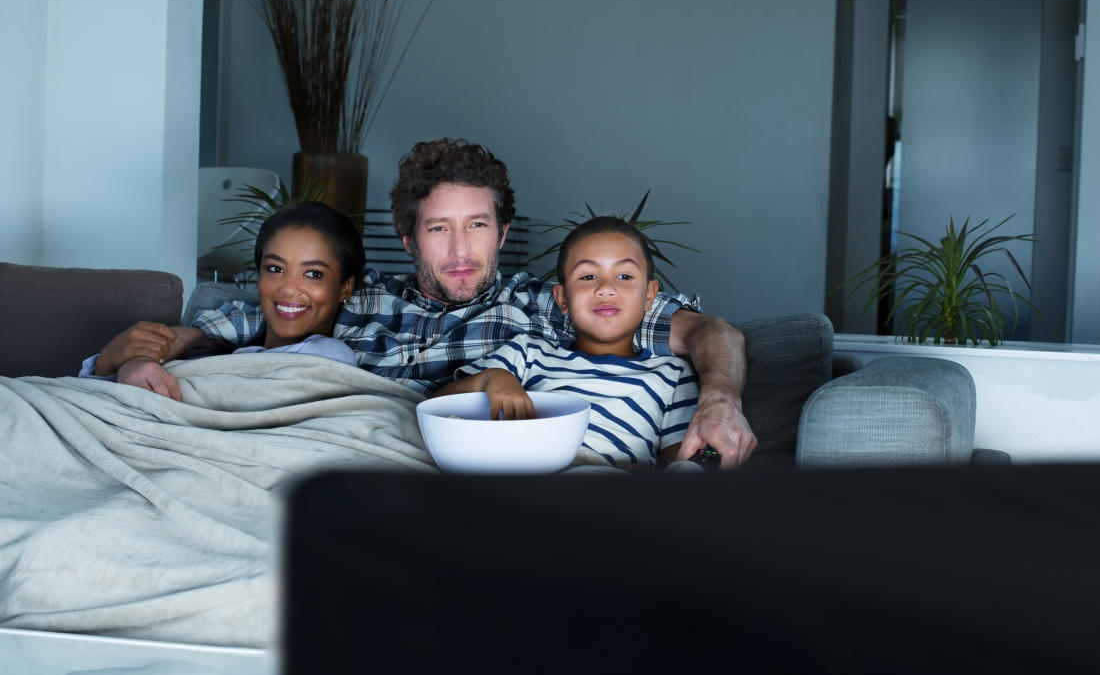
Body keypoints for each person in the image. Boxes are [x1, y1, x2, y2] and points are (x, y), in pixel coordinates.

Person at [94, 139, 757, 467]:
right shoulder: (352, 295)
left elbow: (709, 332)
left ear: (502, 234)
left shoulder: (551, 305)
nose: (462, 249)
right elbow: (220, 326)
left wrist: (720, 397)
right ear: (410, 239)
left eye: (477, 226)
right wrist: (140, 358)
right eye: (440, 229)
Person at [436, 216, 699, 471]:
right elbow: (437, 409)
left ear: (649, 295)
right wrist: (490, 379)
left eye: (624, 276)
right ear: (562, 299)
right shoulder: (527, 351)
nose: (606, 289)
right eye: (587, 277)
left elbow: (684, 462)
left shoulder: (673, 374)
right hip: (524, 471)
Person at [82, 202, 361, 390]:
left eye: (313, 274)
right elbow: (97, 394)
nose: (288, 288)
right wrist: (114, 359)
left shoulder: (330, 356)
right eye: (275, 268)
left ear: (345, 288)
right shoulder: (219, 343)